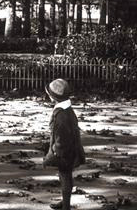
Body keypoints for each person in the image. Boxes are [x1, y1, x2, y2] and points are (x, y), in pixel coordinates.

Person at [42, 78, 85, 210]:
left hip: (64, 152)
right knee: (65, 177)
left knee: (65, 177)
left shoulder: (61, 116)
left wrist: (55, 152)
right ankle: (65, 200)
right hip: (71, 148)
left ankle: (66, 206)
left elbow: (61, 138)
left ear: (52, 97)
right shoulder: (67, 109)